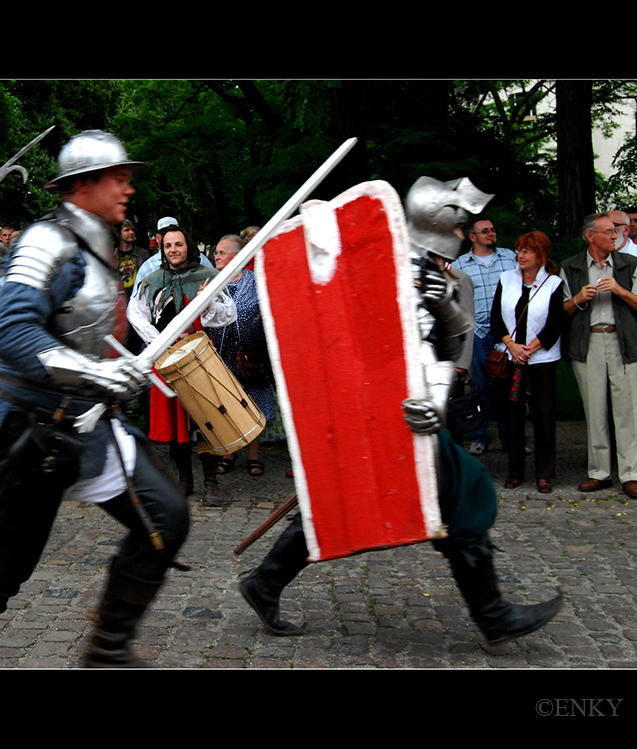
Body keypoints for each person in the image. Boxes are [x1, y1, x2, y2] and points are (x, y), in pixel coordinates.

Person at [239, 176, 562, 647]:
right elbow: (396, 352)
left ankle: (265, 583)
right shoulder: (393, 264)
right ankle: (492, 615)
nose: (463, 234)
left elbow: (449, 340)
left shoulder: (428, 268)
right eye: (459, 226)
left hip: (406, 411)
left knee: (371, 497)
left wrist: (445, 305)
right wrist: (427, 401)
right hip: (397, 412)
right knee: (454, 493)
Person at [0, 129, 188, 668]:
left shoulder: (97, 242)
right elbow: (14, 333)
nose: (127, 188)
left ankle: (107, 649)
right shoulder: (47, 241)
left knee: (165, 518)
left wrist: (112, 368)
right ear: (83, 184)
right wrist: (97, 372)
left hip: (87, 423)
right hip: (29, 427)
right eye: (118, 178)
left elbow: (74, 329)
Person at [127, 225, 236, 506]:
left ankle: (211, 483)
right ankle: (184, 481)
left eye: (178, 244)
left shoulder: (206, 277)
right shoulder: (153, 280)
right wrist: (160, 342)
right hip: (168, 359)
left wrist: (207, 301)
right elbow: (135, 313)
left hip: (199, 356)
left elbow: (228, 313)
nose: (173, 250)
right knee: (177, 424)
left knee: (206, 420)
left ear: (188, 246)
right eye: (168, 246)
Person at [560, 212, 637, 498]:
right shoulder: (572, 267)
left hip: (624, 342)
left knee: (627, 410)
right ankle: (599, 473)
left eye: (616, 232)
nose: (615, 236)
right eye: (609, 232)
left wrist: (619, 289)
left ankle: (631, 473)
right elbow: (560, 311)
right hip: (589, 341)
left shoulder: (630, 264)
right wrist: (578, 299)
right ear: (590, 236)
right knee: (595, 411)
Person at [490, 231, 565, 493]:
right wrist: (512, 346)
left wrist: (530, 349)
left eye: (527, 251)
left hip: (542, 357)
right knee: (513, 413)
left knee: (544, 414)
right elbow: (496, 319)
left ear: (541, 256)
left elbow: (555, 323)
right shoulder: (506, 279)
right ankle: (515, 471)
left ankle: (544, 474)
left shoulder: (554, 283)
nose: (520, 255)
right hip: (511, 356)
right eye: (519, 250)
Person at [207, 234, 276, 478]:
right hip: (221, 355)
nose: (216, 255)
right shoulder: (212, 283)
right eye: (216, 252)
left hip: (250, 356)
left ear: (236, 256)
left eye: (222, 252)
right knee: (227, 404)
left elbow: (268, 312)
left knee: (253, 403)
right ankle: (229, 452)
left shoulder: (256, 281)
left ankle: (253, 455)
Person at [451, 217, 518, 455]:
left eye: (493, 230)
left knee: (509, 388)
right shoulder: (460, 265)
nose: (491, 234)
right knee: (479, 388)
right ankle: (480, 436)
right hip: (478, 333)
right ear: (473, 237)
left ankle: (511, 438)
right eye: (485, 231)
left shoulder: (510, 258)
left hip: (508, 334)